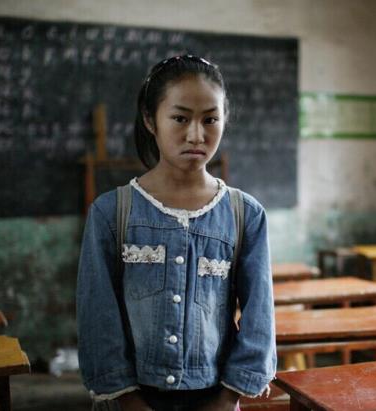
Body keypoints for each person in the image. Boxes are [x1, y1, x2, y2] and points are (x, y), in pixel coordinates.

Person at [77, 55, 276, 411]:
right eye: (180, 118)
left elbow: (259, 318)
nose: (196, 135)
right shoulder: (111, 212)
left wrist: (228, 398)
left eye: (210, 119)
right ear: (150, 119)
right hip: (129, 399)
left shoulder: (245, 214)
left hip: (215, 397)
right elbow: (97, 317)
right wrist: (128, 400)